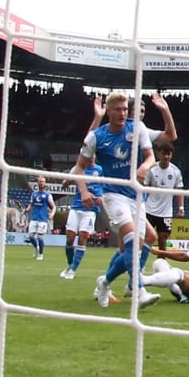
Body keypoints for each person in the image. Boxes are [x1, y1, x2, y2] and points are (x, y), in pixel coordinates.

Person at [74, 91, 161, 309]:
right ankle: (139, 290)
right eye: (118, 110)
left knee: (134, 247)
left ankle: (104, 282)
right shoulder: (97, 137)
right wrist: (84, 192)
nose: (123, 113)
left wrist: (145, 165)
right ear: (109, 112)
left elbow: (150, 156)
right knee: (131, 237)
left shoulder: (137, 128)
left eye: (125, 109)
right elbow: (79, 167)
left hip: (135, 195)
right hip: (113, 194)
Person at [60, 159, 103, 279]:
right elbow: (65, 184)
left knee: (82, 237)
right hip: (76, 207)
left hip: (90, 209)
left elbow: (105, 186)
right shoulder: (77, 169)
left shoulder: (100, 170)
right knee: (70, 239)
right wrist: (67, 181)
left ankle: (73, 270)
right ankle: (69, 265)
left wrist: (101, 198)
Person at [144, 141, 185, 256]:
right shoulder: (151, 169)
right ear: (159, 154)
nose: (166, 156)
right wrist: (141, 205)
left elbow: (179, 190)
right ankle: (139, 261)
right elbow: (145, 189)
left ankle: (161, 264)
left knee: (163, 238)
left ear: (171, 155)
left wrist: (181, 207)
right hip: (149, 210)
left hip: (166, 212)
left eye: (169, 154)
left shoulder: (176, 172)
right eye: (164, 154)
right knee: (144, 236)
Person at [25, 175, 55, 260]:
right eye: (40, 181)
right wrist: (27, 209)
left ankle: (41, 254)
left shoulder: (47, 195)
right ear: (37, 183)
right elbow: (31, 204)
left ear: (45, 183)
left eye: (43, 181)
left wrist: (52, 213)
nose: (41, 183)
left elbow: (53, 206)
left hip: (43, 219)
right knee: (31, 236)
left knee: (40, 237)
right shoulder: (34, 194)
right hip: (34, 218)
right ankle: (37, 248)